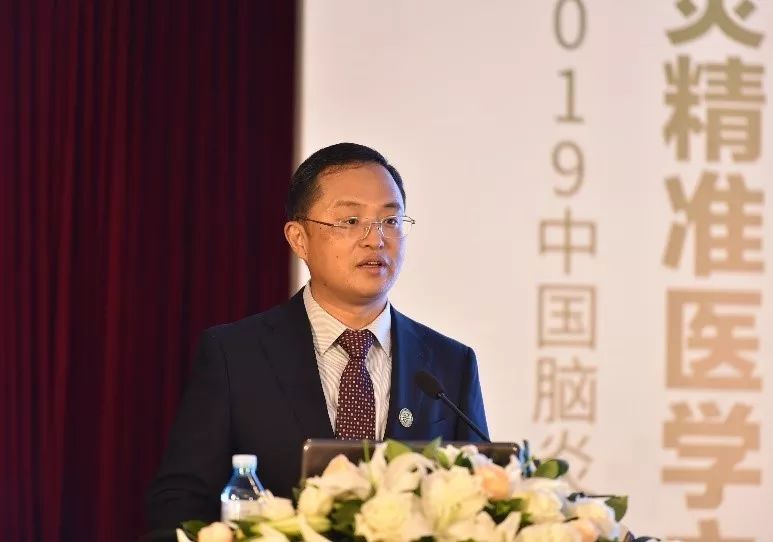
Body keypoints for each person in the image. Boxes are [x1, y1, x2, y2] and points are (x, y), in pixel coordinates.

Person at [146, 142, 488, 532]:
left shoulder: (450, 364)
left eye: (391, 220)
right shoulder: (235, 357)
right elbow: (179, 503)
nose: (376, 239)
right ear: (299, 238)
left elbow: (480, 502)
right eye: (351, 221)